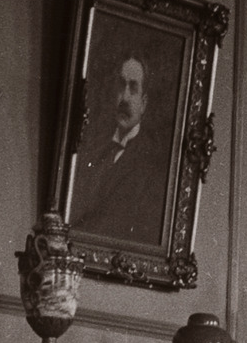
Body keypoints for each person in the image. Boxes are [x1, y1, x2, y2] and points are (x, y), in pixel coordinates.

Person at [69, 52, 172, 243]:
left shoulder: (151, 162)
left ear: (144, 102)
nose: (124, 97)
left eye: (133, 88)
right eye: (121, 85)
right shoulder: (93, 149)